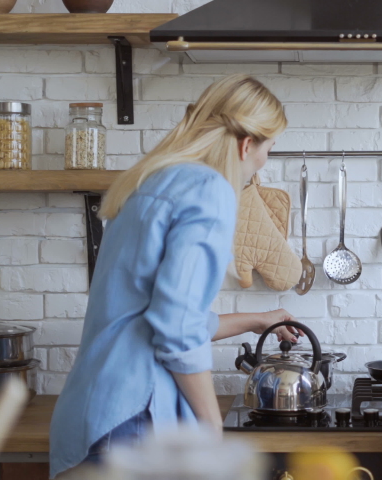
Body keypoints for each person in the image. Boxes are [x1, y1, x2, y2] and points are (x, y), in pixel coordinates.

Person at [50, 75, 301, 478]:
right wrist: (212, 430)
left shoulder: (153, 180)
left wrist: (257, 320)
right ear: (246, 144)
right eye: (270, 148)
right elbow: (176, 327)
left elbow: (161, 314)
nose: (263, 163)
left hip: (95, 413)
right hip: (133, 420)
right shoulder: (210, 189)